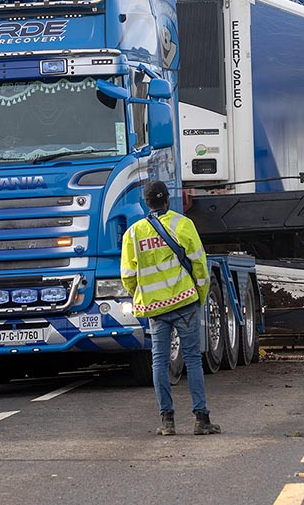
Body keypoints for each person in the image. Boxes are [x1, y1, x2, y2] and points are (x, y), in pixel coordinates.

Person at [120, 180, 220, 436]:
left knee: (159, 362)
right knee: (193, 360)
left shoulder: (132, 234)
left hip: (155, 308)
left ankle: (167, 421)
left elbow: (128, 276)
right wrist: (200, 294)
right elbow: (200, 264)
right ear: (167, 200)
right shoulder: (183, 225)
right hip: (185, 301)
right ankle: (201, 418)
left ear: (146, 203)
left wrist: (143, 296)